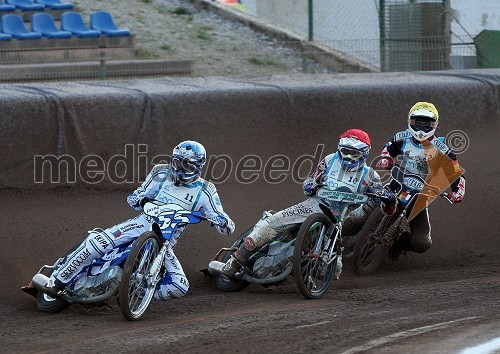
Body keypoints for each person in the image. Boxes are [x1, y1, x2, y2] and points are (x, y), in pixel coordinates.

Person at [42, 140, 235, 300]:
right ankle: (57, 281)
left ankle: (133, 292)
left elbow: (226, 226)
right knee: (98, 242)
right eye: (176, 161)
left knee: (179, 285)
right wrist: (141, 199)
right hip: (141, 223)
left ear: (197, 165)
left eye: (185, 163)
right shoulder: (161, 172)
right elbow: (135, 197)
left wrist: (221, 221)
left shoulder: (206, 190)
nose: (178, 167)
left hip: (166, 242)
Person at [221, 129, 395, 279]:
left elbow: (386, 206)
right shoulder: (329, 161)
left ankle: (299, 271)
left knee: (331, 271)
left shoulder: (370, 175)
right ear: (339, 148)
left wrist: (388, 200)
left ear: (364, 153)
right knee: (268, 226)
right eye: (345, 151)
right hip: (312, 205)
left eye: (354, 153)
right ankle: (234, 262)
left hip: (337, 220)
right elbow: (310, 181)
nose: (348, 157)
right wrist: (310, 184)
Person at [343, 102, 466, 260]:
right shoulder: (402, 138)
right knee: (357, 218)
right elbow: (388, 149)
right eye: (418, 123)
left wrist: (457, 192)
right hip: (394, 186)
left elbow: (455, 172)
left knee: (422, 242)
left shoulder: (442, 148)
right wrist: (386, 159)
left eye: (426, 124)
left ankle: (400, 243)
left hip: (419, 199)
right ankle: (328, 239)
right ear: (410, 121)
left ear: (435, 125)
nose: (421, 128)